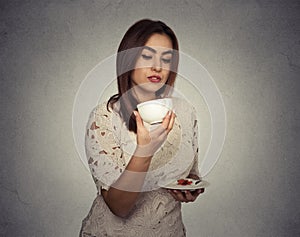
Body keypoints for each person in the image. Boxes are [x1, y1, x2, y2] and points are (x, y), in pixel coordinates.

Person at [80, 19, 205, 237]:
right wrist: (143, 153)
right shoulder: (104, 117)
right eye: (147, 56)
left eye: (166, 59)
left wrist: (189, 189)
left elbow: (191, 174)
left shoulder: (186, 112)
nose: (157, 67)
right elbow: (119, 207)